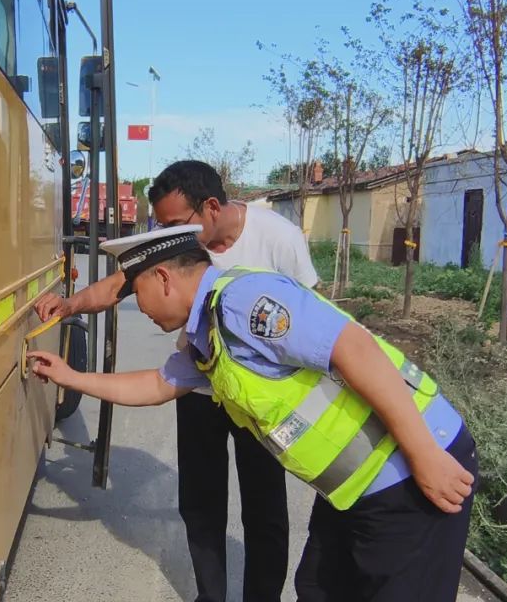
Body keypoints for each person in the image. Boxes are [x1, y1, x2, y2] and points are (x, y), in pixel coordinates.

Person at [28, 225, 478, 601]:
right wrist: (70, 377)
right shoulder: (207, 332)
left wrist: (425, 456)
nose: (139, 306)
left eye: (137, 291)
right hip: (353, 490)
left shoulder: (244, 302)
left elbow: (354, 349)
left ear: (163, 277)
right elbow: (157, 385)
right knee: (316, 589)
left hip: (410, 473)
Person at [34, 160, 317, 601]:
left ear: (210, 207)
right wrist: (69, 307)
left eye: (173, 223)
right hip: (199, 383)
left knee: (264, 510)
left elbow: (312, 320)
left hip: (260, 401)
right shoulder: (177, 250)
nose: (166, 232)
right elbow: (122, 285)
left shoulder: (279, 239)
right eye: (161, 224)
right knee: (201, 504)